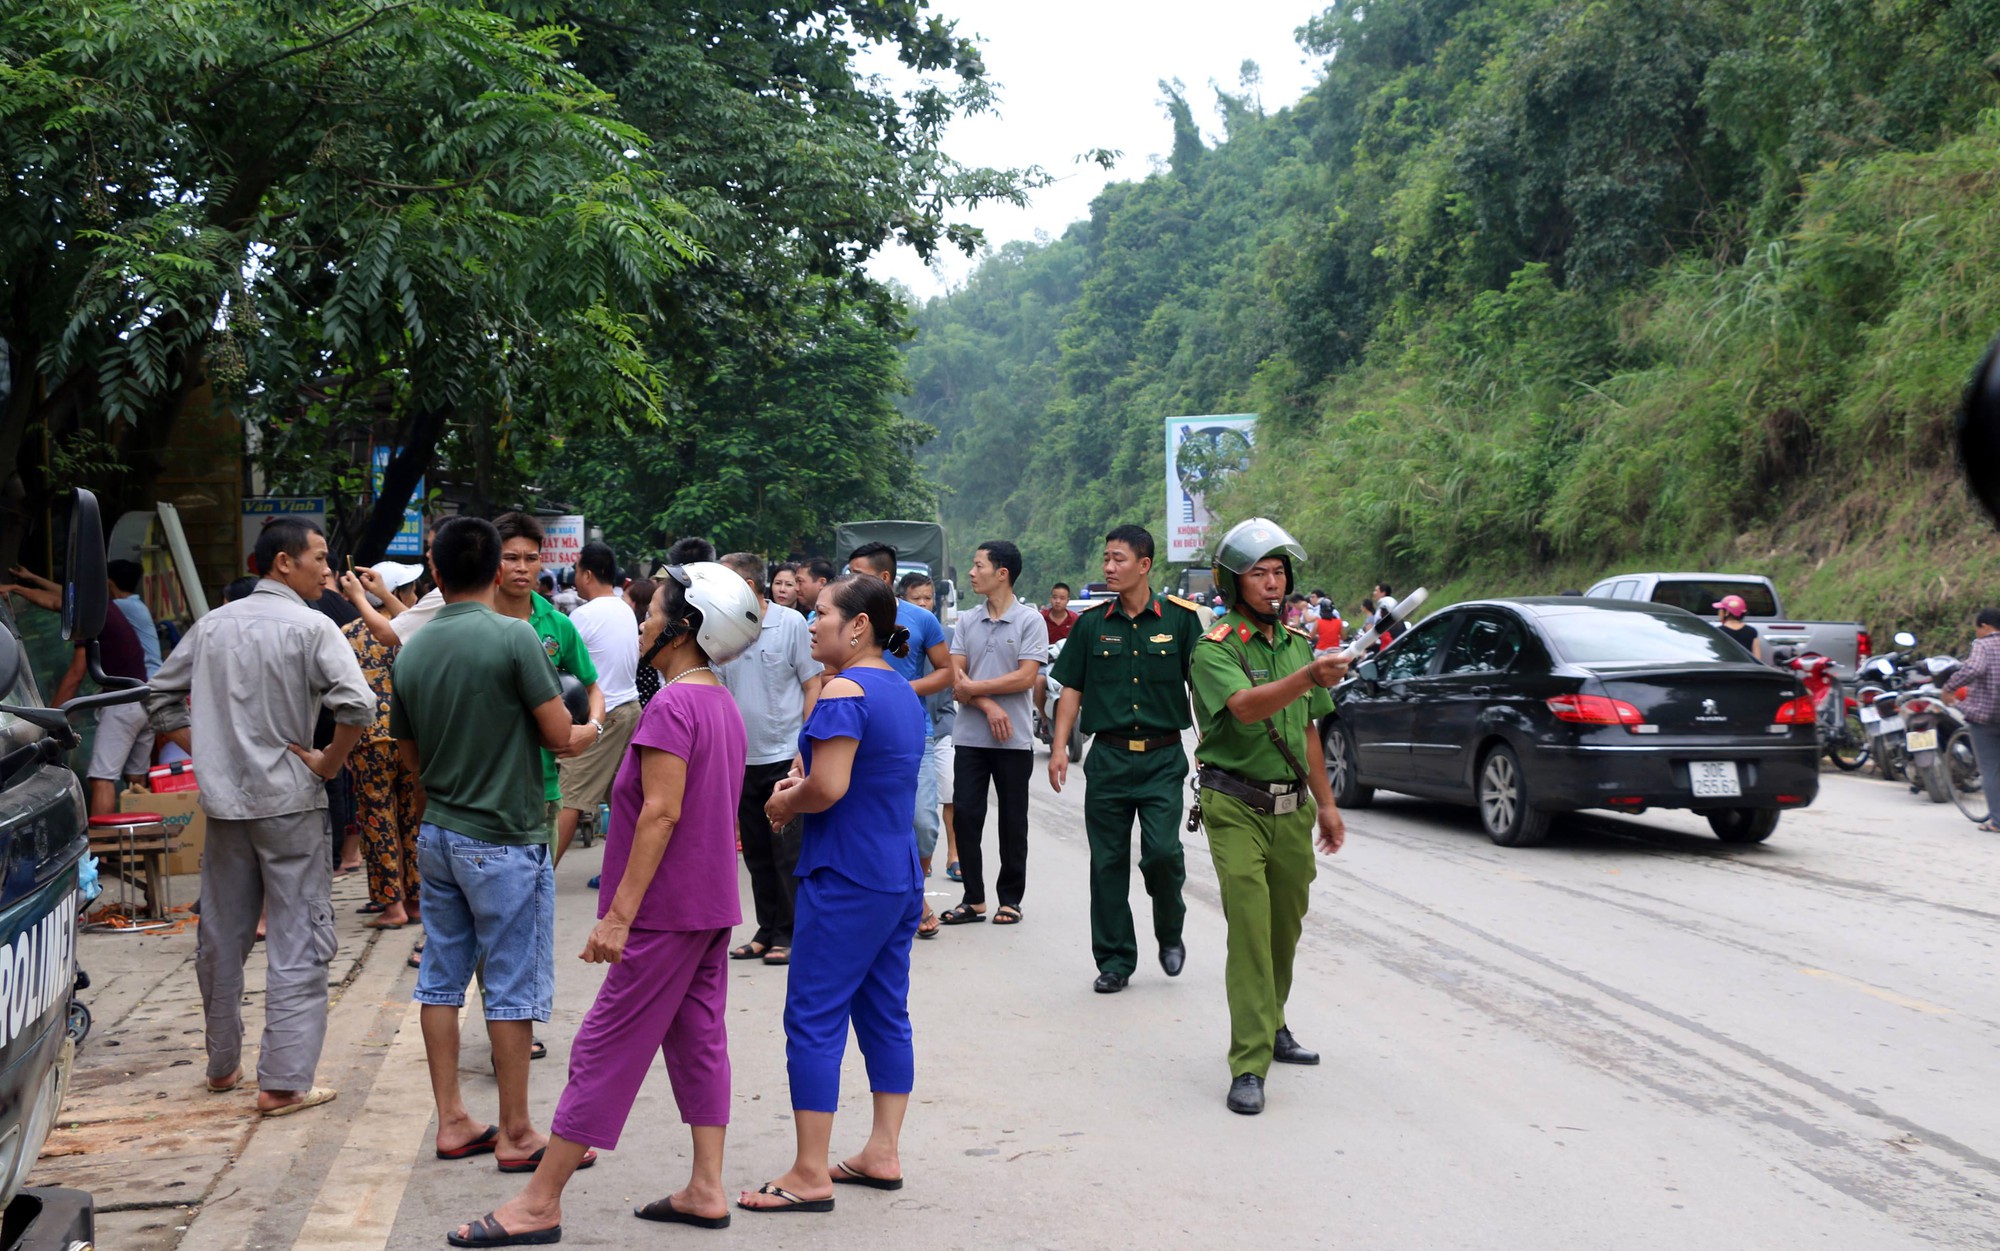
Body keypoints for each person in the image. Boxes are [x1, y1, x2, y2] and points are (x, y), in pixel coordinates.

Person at [449, 563, 763, 1245]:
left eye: (652, 612)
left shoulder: (674, 705)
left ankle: (539, 1201)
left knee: (603, 1045)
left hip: (663, 911)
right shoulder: (717, 701)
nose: (642, 621)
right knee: (699, 1039)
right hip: (708, 906)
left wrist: (618, 914)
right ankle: (706, 1186)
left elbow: (660, 813)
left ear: (684, 629)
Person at [142, 517, 374, 1116]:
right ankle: (284, 1083)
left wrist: (209, 754)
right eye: (319, 558)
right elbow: (359, 705)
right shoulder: (312, 626)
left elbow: (158, 699)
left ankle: (223, 1067)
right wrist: (328, 763)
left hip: (225, 808)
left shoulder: (211, 627)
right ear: (282, 563)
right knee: (298, 938)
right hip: (291, 803)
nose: (328, 570)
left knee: (220, 936)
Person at [392, 516, 593, 1177]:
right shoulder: (514, 637)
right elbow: (558, 734)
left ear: (438, 573)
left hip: (440, 831)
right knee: (511, 984)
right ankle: (515, 1130)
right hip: (503, 835)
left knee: (441, 979)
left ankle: (453, 1119)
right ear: (494, 570)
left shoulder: (412, 648)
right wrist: (589, 733)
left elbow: (408, 754)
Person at [741, 573, 925, 1214]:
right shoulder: (899, 689)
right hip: (895, 873)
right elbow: (862, 774)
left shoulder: (842, 690)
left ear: (858, 625)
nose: (811, 622)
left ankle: (810, 1171)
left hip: (846, 875)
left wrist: (784, 801)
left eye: (819, 613)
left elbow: (829, 788)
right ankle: (882, 1150)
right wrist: (807, 777)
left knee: (813, 1018)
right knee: (883, 1012)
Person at [1189, 518, 1349, 1116]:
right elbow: (1248, 708)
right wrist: (1306, 676)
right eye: (1259, 572)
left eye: (1279, 571)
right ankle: (1250, 1062)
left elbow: (1306, 728)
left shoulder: (1299, 644)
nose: (1273, 582)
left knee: (1285, 928)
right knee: (1251, 932)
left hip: (1292, 810)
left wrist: (1327, 805)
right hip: (1234, 806)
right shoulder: (1217, 646)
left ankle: (1275, 1021)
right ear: (1234, 582)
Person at [1047, 525, 1204, 993]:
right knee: (1107, 862)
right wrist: (1058, 746)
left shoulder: (1180, 620)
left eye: (1118, 559)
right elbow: (1071, 686)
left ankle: (1170, 929)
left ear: (1145, 564)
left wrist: (1210, 750)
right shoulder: (1092, 623)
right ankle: (1115, 960)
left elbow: (1202, 688)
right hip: (1109, 759)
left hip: (1162, 759)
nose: (1109, 567)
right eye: (1106, 559)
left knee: (1162, 853)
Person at [714, 552, 824, 965]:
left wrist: (804, 746)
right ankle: (766, 929)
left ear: (748, 585)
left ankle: (790, 934)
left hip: (784, 755)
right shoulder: (723, 628)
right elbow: (722, 692)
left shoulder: (790, 623)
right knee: (757, 852)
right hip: (743, 758)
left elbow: (812, 685)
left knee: (787, 852)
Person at [938, 541, 1048, 927]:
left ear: (1002, 573)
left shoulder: (1030, 621)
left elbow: (1026, 676)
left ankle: (1010, 899)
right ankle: (974, 899)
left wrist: (976, 691)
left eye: (977, 565)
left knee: (1013, 821)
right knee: (967, 815)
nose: (971, 572)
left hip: (1012, 739)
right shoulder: (967, 620)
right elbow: (957, 674)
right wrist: (987, 703)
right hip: (970, 736)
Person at [848, 544, 952, 935]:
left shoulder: (920, 619)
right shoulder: (844, 617)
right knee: (869, 822)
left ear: (885, 578)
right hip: (856, 735)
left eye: (859, 572)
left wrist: (903, 690)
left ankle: (913, 889)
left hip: (913, 734)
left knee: (923, 822)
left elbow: (946, 672)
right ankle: (907, 901)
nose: (852, 579)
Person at [3, 564, 154, 814]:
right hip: (141, 698)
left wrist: (48, 718)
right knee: (135, 780)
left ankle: (102, 853)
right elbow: (58, 598)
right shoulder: (104, 606)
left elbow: (75, 675)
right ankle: (133, 847)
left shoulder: (88, 619)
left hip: (122, 705)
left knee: (102, 779)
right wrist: (24, 584)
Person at [493, 513, 604, 853]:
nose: (522, 568)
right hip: (484, 787)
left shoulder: (557, 625)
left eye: (531, 558)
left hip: (541, 784)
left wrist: (593, 728)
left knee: (538, 890)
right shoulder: (472, 618)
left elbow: (591, 687)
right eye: (511, 558)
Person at [335, 561, 426, 929]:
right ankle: (417, 900)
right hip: (411, 736)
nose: (416, 596)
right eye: (412, 590)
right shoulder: (413, 626)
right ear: (400, 593)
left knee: (378, 823)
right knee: (412, 821)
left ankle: (392, 906)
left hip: (367, 739)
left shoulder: (348, 633)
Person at [555, 542, 643, 862]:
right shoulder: (624, 608)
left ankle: (540, 878)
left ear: (587, 574)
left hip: (603, 716)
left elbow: (557, 661)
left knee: (569, 797)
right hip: (630, 710)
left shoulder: (584, 615)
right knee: (625, 800)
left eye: (577, 572)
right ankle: (629, 874)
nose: (574, 578)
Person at [900, 574, 961, 886]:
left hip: (943, 725)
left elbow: (955, 675)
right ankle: (915, 882)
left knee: (949, 794)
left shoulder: (946, 634)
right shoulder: (892, 633)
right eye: (917, 598)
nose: (924, 603)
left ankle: (954, 853)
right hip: (909, 728)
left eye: (928, 598)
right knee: (911, 815)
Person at [1943, 609, 2000, 833]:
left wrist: (1949, 687)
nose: (1977, 633)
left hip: (1985, 717)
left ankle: (1996, 821)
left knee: (1991, 769)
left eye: (1977, 629)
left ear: (1985, 627)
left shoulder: (1983, 645)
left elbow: (1974, 668)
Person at [1032, 582, 1077, 729]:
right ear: (1050, 598)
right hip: (1045, 663)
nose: (1058, 601)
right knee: (1038, 682)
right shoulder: (1040, 618)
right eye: (1055, 597)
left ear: (1068, 600)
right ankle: (1044, 717)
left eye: (1062, 598)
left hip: (1069, 664)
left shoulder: (1075, 620)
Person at [106, 559, 162, 677]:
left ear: (109, 583)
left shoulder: (124, 606)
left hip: (148, 677)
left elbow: (80, 600)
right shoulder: (134, 605)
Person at [627, 577, 662, 707]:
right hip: (653, 690)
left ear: (634, 602)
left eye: (626, 597)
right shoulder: (655, 626)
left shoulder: (632, 626)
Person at [1715, 594, 1763, 661]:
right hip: (1746, 669)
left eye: (1720, 610)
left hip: (1725, 669)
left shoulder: (1718, 631)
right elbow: (1757, 657)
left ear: (1727, 612)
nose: (1718, 612)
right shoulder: (1752, 631)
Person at [794, 558, 835, 622]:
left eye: (800, 581)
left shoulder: (835, 617)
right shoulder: (812, 615)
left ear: (822, 583)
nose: (796, 588)